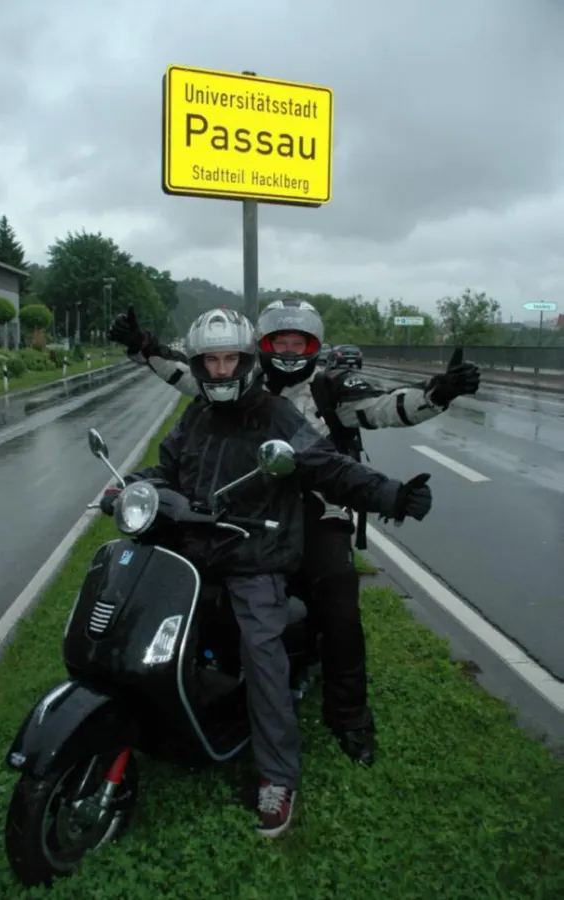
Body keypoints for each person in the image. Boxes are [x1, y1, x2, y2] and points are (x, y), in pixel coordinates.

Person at [103, 307, 432, 838]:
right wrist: (130, 486)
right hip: (196, 549)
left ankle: (278, 775)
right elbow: (168, 466)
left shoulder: (276, 415)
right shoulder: (196, 417)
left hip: (254, 554)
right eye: (210, 360)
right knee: (144, 610)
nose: (220, 369)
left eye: (230, 357)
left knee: (262, 651)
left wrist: (391, 493)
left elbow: (328, 464)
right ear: (199, 364)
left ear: (247, 360)